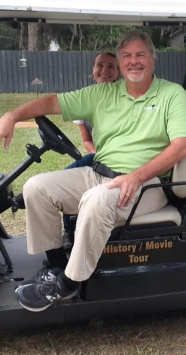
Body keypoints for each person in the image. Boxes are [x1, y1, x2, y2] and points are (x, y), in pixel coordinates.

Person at [0, 31, 186, 312]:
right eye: (127, 56)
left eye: (140, 55)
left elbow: (182, 145)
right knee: (36, 187)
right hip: (99, 173)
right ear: (120, 64)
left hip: (146, 184)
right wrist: (11, 116)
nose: (134, 62)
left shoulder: (171, 94)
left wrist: (136, 176)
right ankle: (57, 267)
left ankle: (68, 284)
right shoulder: (102, 93)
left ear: (152, 60)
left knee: (97, 198)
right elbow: (51, 102)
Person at [62, 51, 120, 249]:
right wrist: (98, 154)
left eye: (111, 66)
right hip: (99, 155)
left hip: (122, 160)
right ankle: (70, 230)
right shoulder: (84, 99)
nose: (104, 70)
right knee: (65, 178)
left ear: (118, 72)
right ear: (93, 70)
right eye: (100, 65)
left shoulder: (124, 98)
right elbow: (86, 139)